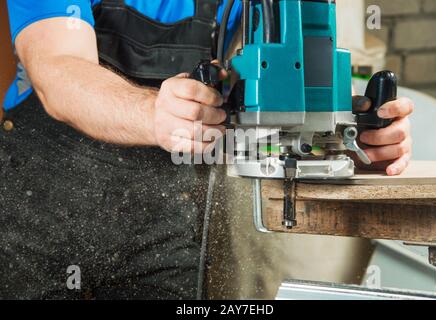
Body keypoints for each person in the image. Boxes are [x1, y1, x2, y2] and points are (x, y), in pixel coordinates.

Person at [1, 0, 413, 299]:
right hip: (41, 206)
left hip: (166, 214)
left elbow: (254, 90)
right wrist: (152, 113)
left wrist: (347, 133)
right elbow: (58, 73)